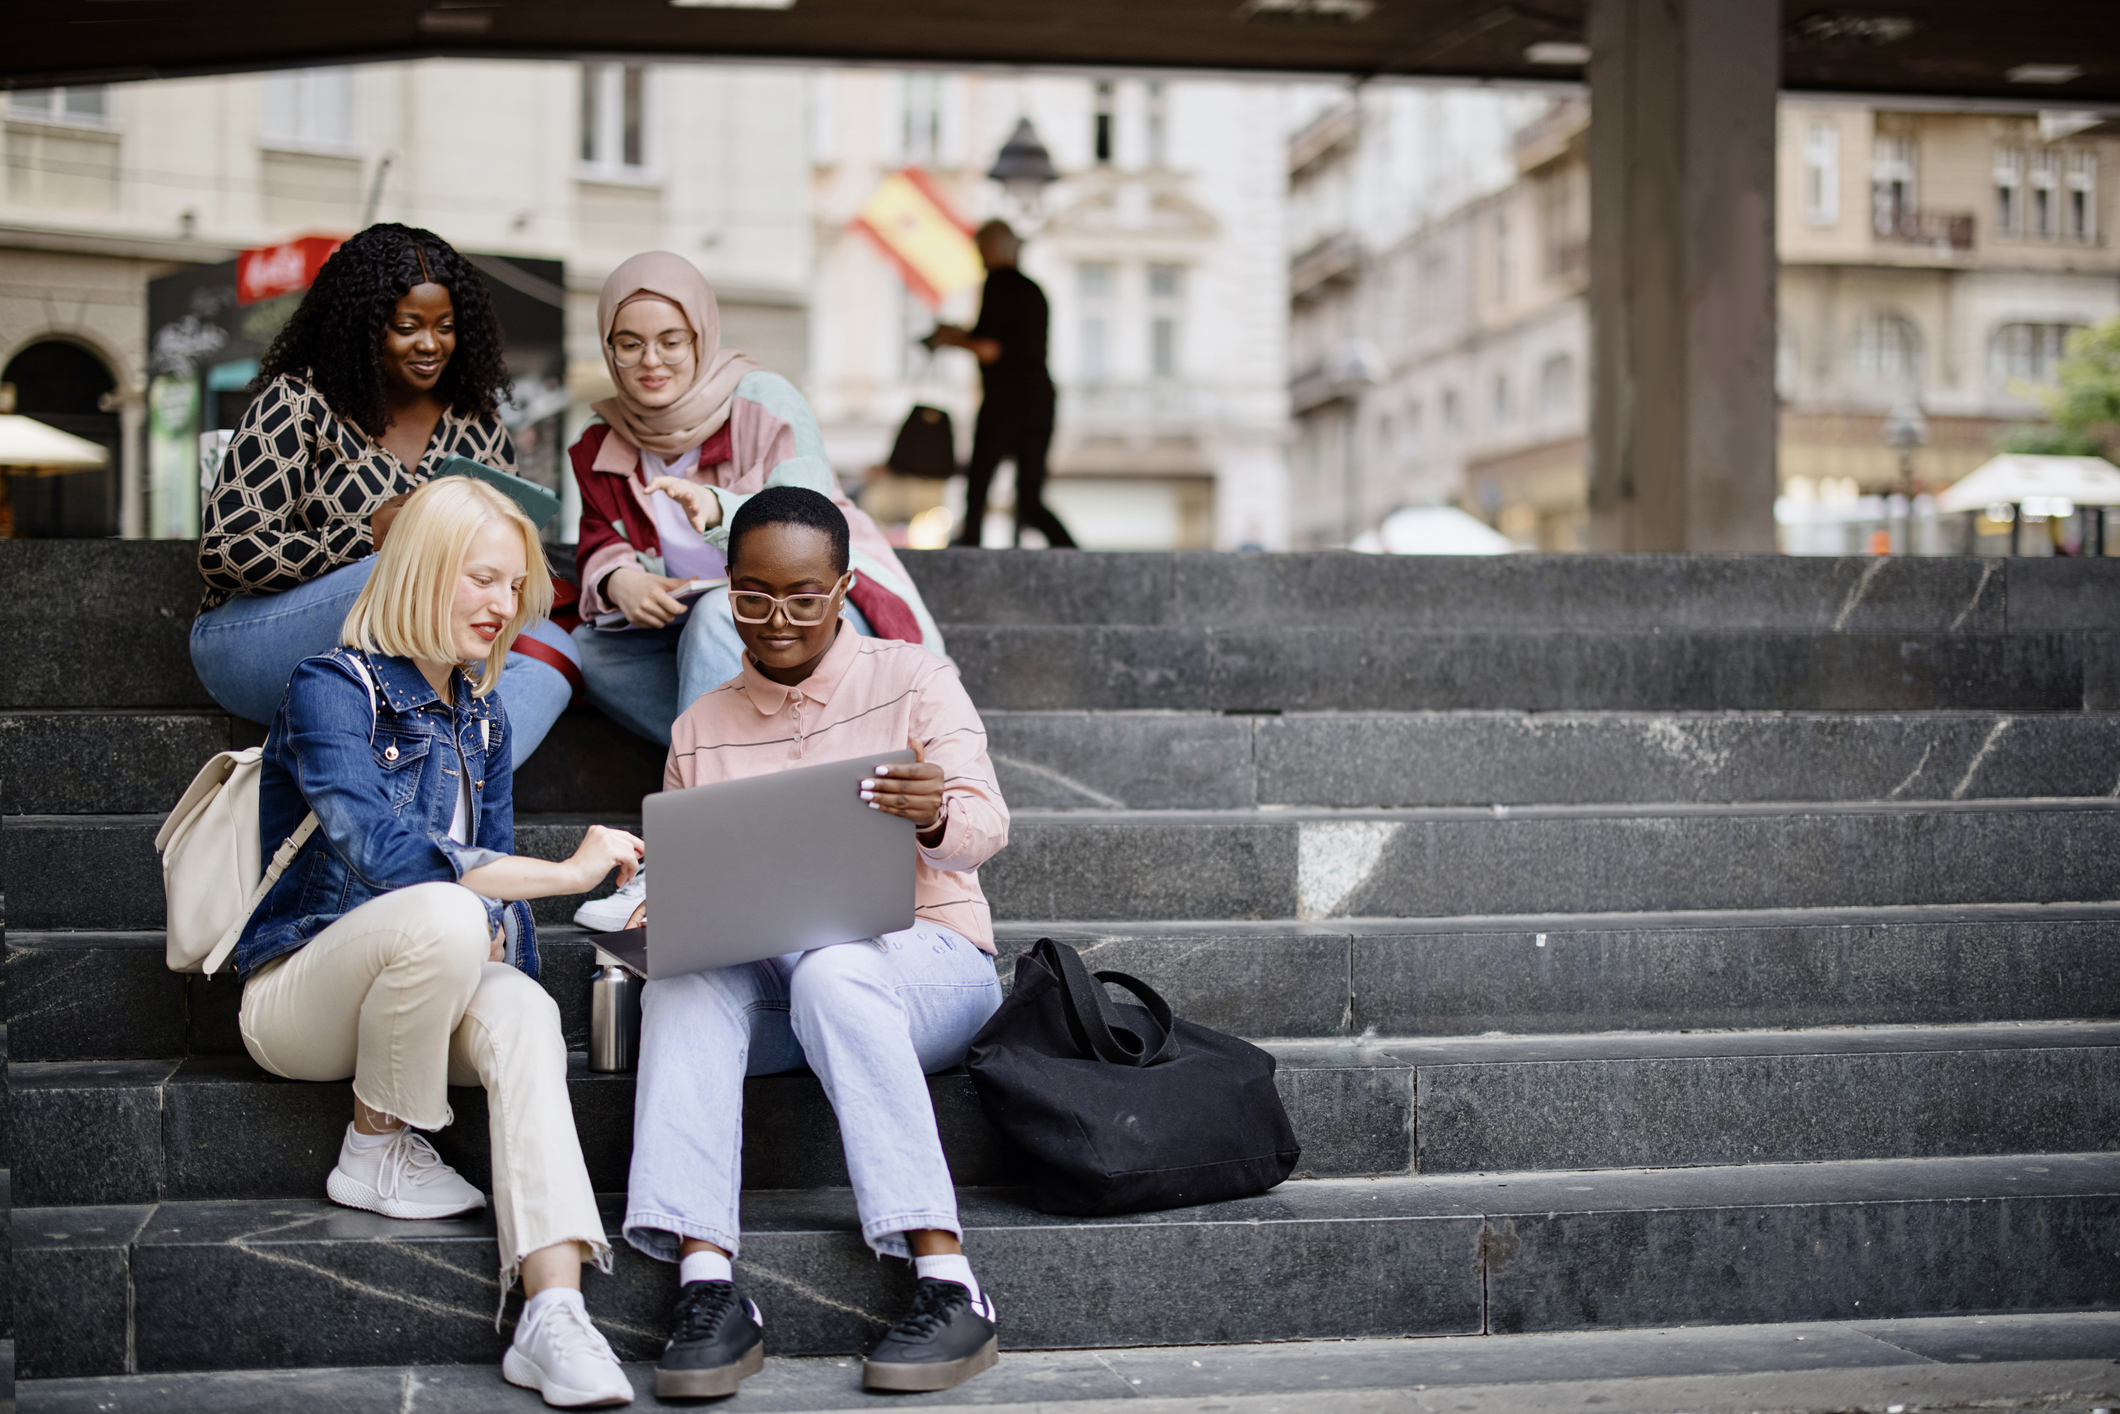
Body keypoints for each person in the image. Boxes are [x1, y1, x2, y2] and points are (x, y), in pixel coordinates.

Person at [236, 476, 638, 1408]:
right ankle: (376, 1145)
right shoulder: (330, 689)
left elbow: (489, 876)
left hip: (423, 991)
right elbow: (380, 851)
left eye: (516, 587)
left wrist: (527, 928)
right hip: (303, 995)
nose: (503, 607)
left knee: (529, 1011)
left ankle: (554, 1312)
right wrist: (564, 876)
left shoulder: (484, 719)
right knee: (450, 906)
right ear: (419, 572)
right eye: (482, 579)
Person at [620, 486, 1008, 1399]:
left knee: (836, 966)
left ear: (844, 588)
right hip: (782, 992)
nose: (776, 621)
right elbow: (701, 883)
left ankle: (948, 1278)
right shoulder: (699, 727)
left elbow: (987, 826)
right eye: (751, 597)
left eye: (803, 597)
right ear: (728, 587)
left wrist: (934, 813)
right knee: (680, 984)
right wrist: (659, 908)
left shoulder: (914, 679)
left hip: (931, 966)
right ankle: (707, 1287)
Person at [565, 251, 948, 930]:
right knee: (584, 654)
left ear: (701, 338)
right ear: (609, 350)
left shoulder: (765, 401)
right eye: (629, 344)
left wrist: (717, 511)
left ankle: (690, 853)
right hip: (708, 645)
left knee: (718, 612)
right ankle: (775, 761)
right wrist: (619, 576)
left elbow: (805, 519)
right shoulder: (604, 436)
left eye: (670, 341)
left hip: (810, 618)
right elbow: (599, 534)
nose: (650, 360)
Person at [193, 223, 580, 766]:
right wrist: (366, 535)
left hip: (417, 646)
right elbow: (224, 552)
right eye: (407, 326)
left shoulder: (477, 426)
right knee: (415, 568)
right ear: (362, 326)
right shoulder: (298, 401)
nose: (430, 344)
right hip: (253, 642)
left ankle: (445, 781)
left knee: (554, 655)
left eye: (446, 326)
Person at [925, 220, 1076, 549]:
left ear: (991, 249)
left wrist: (951, 339)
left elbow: (991, 348)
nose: (979, 257)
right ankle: (1078, 560)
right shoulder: (1034, 291)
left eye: (980, 249)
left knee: (977, 491)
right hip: (1039, 403)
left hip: (1005, 404)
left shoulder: (997, 285)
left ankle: (970, 564)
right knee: (1031, 501)